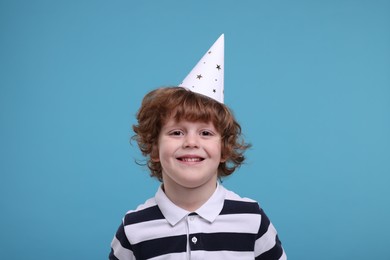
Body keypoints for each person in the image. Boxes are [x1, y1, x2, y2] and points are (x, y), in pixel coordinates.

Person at [109, 35, 286, 260]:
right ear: (154, 149)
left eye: (205, 133)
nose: (191, 142)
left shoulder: (252, 220)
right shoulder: (133, 229)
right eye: (176, 132)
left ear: (223, 149)